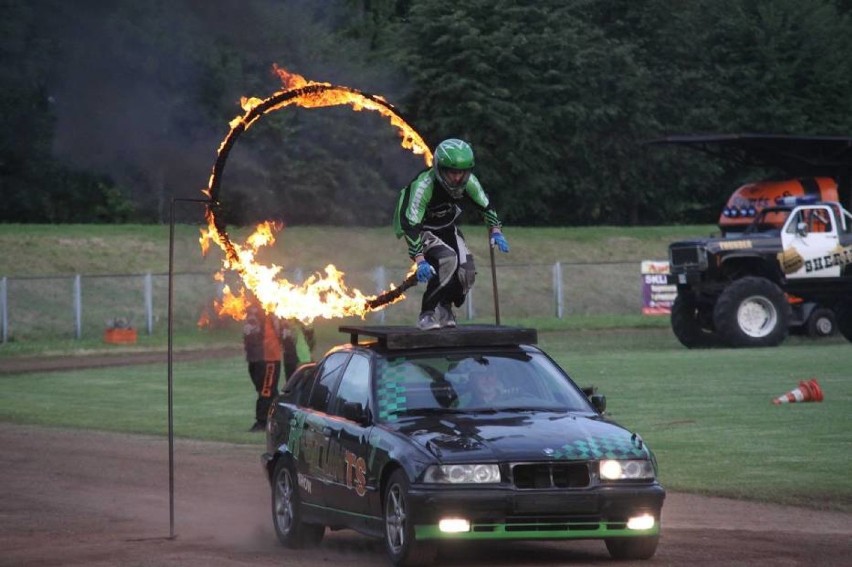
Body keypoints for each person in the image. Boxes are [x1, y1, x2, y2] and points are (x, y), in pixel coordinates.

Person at [394, 138, 509, 330]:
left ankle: (445, 306)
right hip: (422, 229)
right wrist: (420, 259)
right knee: (448, 259)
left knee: (467, 271)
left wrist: (496, 231)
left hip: (447, 226)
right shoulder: (424, 185)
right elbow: (410, 224)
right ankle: (427, 314)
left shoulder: (469, 182)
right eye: (452, 172)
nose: (458, 178)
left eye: (462, 172)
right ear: (440, 169)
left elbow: (486, 205)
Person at [243, 297, 284, 432]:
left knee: (266, 391)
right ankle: (279, 418)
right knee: (265, 390)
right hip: (254, 358)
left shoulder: (272, 310)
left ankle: (262, 422)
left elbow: (280, 331)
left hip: (269, 357)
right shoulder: (250, 309)